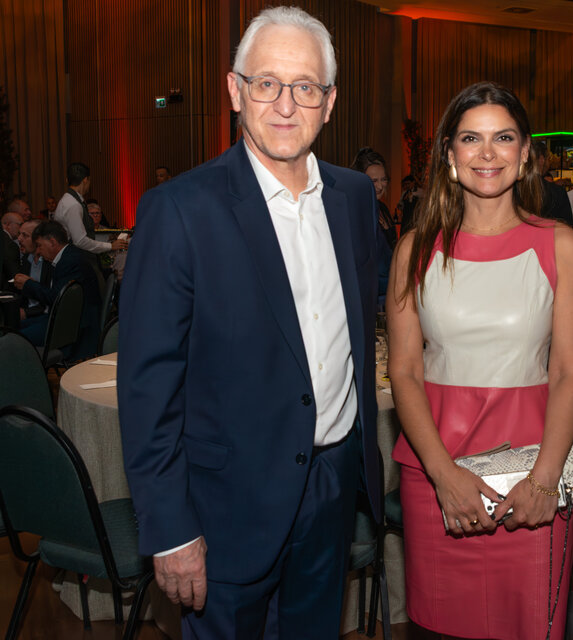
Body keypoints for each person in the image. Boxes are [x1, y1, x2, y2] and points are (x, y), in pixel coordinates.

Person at [117, 7, 382, 638]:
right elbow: (148, 389)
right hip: (225, 504)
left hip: (332, 485)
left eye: (305, 87)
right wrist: (171, 525)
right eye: (266, 83)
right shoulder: (178, 210)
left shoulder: (354, 199)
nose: (286, 104)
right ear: (236, 91)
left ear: (330, 102)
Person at [388, 81, 573, 639]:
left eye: (502, 138)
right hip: (437, 476)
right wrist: (443, 475)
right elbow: (403, 370)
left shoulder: (560, 246)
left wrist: (546, 481)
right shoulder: (414, 249)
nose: (487, 153)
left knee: (532, 626)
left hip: (534, 479)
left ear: (526, 152)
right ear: (449, 154)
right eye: (470, 139)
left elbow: (570, 370)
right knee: (436, 628)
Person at [12, 220, 101, 355]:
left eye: (40, 246)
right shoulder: (68, 256)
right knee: (12, 328)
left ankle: (27, 373)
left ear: (52, 242)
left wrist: (28, 285)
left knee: (14, 339)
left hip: (72, 327)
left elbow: (57, 298)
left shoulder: (69, 261)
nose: (39, 251)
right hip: (64, 319)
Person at [55, 162, 128, 257]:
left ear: (67, 180)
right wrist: (110, 246)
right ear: (85, 180)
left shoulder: (69, 200)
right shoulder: (73, 204)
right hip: (73, 257)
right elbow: (80, 241)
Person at [350, 146, 396, 250]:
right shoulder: (357, 212)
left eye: (383, 179)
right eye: (374, 181)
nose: (380, 186)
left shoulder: (382, 208)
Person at [532, 138, 573, 227]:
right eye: (548, 159)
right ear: (542, 160)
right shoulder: (557, 192)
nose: (549, 163)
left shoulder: (512, 188)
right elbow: (567, 227)